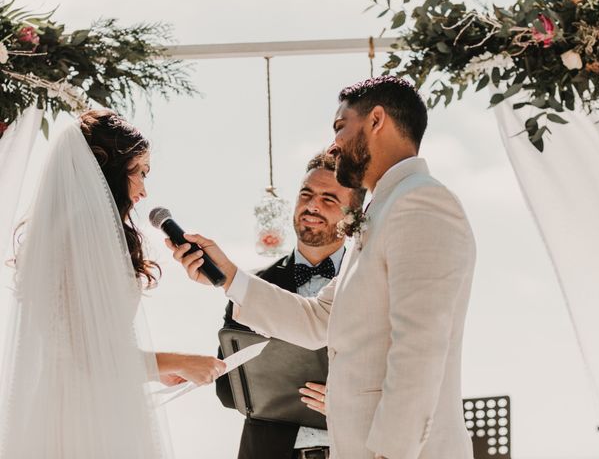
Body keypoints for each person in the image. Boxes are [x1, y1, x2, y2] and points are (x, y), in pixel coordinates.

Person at [168, 76, 476, 459]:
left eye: (340, 127)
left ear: (376, 120)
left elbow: (420, 348)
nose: (335, 144)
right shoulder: (384, 209)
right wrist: (228, 276)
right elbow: (320, 318)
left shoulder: (420, 203)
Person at [0, 110, 225, 459]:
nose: (144, 191)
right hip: (83, 419)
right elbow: (87, 357)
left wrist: (155, 371)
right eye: (141, 173)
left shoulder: (63, 231)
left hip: (65, 404)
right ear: (111, 171)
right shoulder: (83, 234)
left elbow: (82, 349)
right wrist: (179, 361)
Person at [215, 152, 365, 459]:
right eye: (306, 194)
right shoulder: (251, 287)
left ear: (354, 214)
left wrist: (351, 399)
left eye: (328, 199)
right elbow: (227, 389)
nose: (312, 206)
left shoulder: (370, 282)